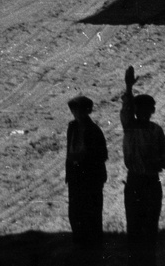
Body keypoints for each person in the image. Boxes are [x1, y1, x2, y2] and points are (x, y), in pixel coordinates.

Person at [121, 66, 165, 266]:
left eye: (146, 110)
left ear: (151, 111)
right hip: (135, 181)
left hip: (150, 182)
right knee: (134, 227)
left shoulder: (156, 130)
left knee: (149, 228)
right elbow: (125, 109)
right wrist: (128, 87)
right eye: (139, 110)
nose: (142, 113)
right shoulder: (129, 126)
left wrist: (157, 162)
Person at [65, 94, 108, 250]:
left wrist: (84, 158)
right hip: (75, 176)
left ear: (87, 111)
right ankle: (79, 244)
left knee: (91, 213)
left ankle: (93, 248)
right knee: (75, 212)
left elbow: (102, 155)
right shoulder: (72, 127)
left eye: (80, 110)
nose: (77, 114)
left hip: (91, 177)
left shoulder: (94, 130)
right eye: (74, 110)